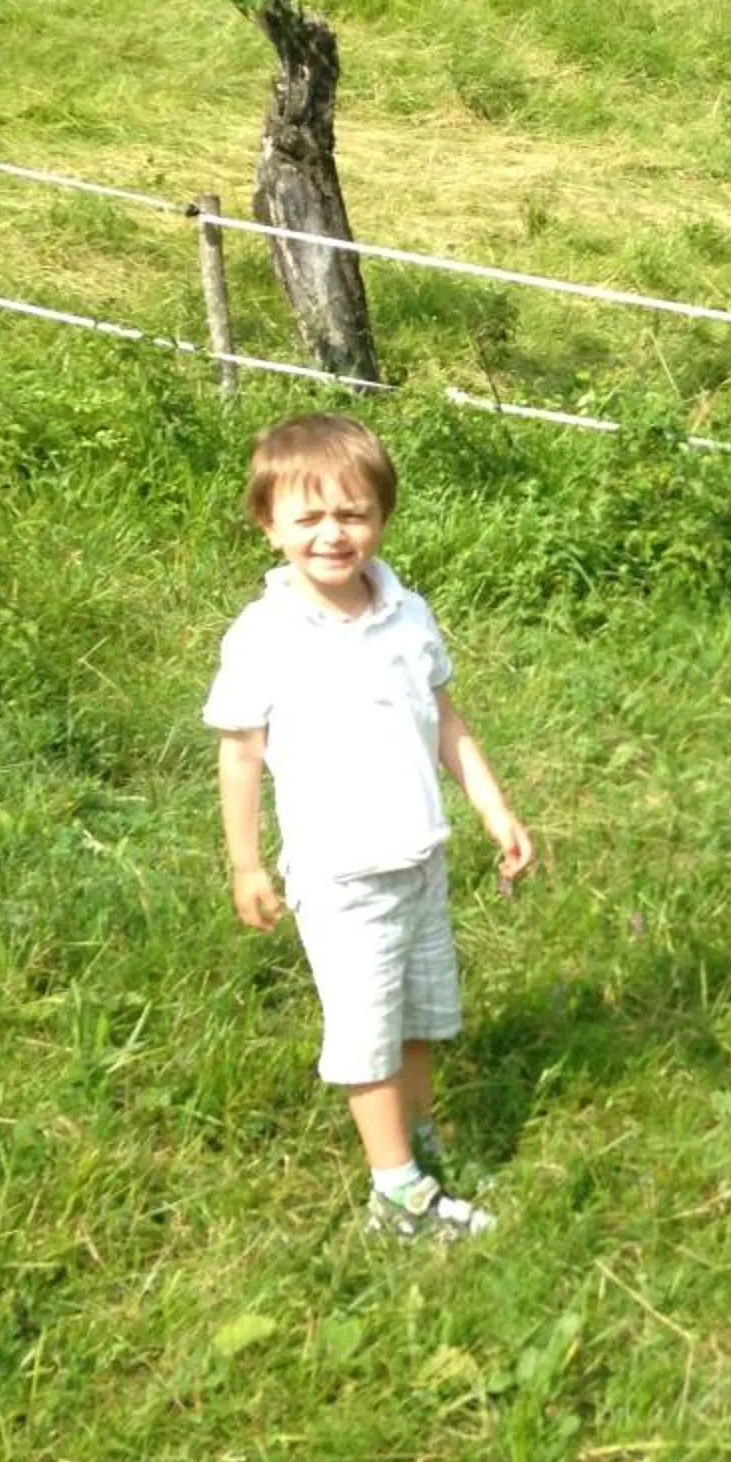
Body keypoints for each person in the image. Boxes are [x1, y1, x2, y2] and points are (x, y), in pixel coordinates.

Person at [204, 412, 534, 1240]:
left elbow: (445, 720)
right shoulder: (264, 636)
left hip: (419, 857)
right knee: (367, 1031)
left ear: (381, 518)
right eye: (308, 517)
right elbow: (241, 755)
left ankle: (419, 1144)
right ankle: (397, 1197)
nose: (332, 534)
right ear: (268, 524)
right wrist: (247, 866)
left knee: (419, 1016)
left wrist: (495, 809)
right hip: (341, 874)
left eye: (352, 513)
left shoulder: (407, 612)